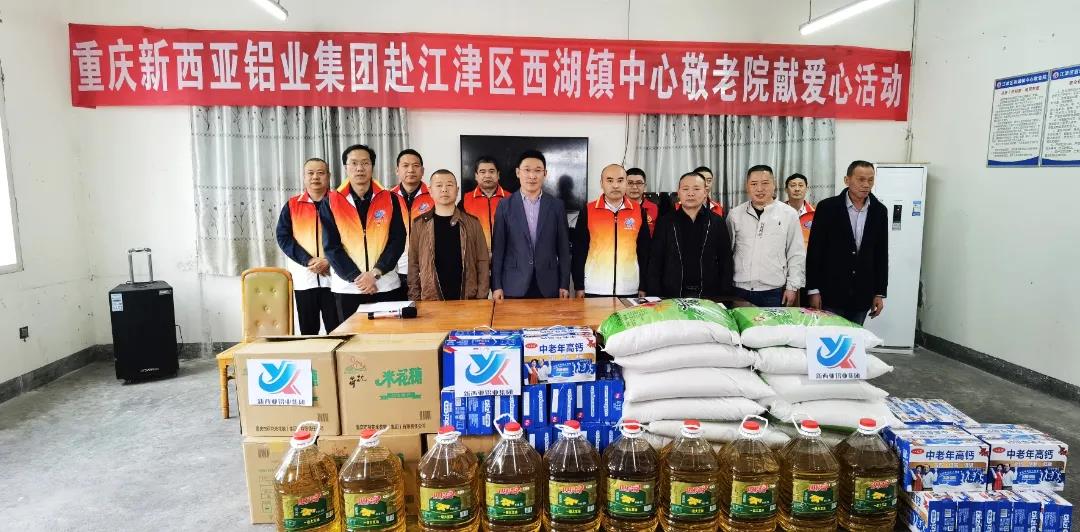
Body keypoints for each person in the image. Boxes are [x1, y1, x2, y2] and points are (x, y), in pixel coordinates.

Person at [319, 144, 407, 320]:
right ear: (346, 167)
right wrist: (357, 278)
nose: (359, 168)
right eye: (354, 163)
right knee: (352, 336)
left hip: (385, 284)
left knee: (388, 335)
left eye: (365, 163)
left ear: (372, 166)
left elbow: (397, 240)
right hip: (348, 288)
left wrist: (375, 274)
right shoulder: (331, 201)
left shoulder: (390, 199)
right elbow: (331, 246)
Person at [806, 160, 888, 326]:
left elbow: (881, 254)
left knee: (854, 338)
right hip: (831, 291)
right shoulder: (827, 208)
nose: (866, 185)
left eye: (870, 180)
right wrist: (813, 290)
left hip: (862, 293)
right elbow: (815, 251)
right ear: (847, 180)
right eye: (861, 179)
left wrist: (879, 293)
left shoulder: (879, 211)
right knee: (829, 337)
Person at [490, 149, 572, 299]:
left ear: (545, 173)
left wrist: (564, 284)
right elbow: (499, 249)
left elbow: (563, 249)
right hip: (513, 283)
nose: (532, 176)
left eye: (538, 170)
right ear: (518, 172)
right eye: (527, 170)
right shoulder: (505, 205)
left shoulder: (556, 206)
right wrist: (496, 286)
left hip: (549, 284)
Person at [275, 157, 339, 334]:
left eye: (320, 173)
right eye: (310, 173)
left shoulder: (339, 203)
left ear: (329, 176)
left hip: (335, 277)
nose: (315, 177)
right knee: (308, 332)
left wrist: (329, 261)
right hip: (305, 278)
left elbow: (350, 237)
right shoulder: (292, 205)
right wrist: (309, 260)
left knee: (338, 331)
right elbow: (283, 238)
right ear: (303, 177)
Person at [646, 172, 734, 298]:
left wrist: (725, 294)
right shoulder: (666, 222)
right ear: (679, 192)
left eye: (696, 189)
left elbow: (725, 260)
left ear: (705, 192)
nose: (690, 193)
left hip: (709, 295)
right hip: (672, 295)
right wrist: (654, 295)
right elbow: (655, 260)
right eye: (685, 189)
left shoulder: (716, 221)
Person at [727, 165, 805, 307]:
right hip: (739, 290)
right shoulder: (735, 214)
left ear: (774, 184)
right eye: (754, 184)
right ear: (747, 186)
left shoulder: (788, 214)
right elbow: (727, 252)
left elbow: (796, 253)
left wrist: (792, 287)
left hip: (773, 291)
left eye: (765, 183)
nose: (759, 189)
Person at [406, 169, 490, 301]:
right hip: (431, 300)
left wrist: (481, 298)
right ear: (430, 191)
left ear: (457, 190)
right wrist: (415, 299)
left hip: (468, 299)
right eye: (439, 185)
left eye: (449, 185)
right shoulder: (419, 224)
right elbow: (413, 264)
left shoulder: (472, 223)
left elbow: (483, 261)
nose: (444, 189)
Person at [571, 164, 650, 298]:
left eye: (620, 180)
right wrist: (579, 286)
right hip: (594, 287)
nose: (615, 185)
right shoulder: (588, 210)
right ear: (601, 183)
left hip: (629, 288)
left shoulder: (638, 211)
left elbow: (644, 251)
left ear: (626, 183)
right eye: (609, 180)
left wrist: (643, 286)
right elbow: (579, 250)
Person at [390, 149, 434, 286]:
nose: (411, 170)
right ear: (397, 170)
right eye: (405, 165)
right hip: (394, 272)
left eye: (415, 166)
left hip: (427, 270)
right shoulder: (387, 198)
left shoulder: (434, 196)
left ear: (422, 171)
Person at [460, 155, 510, 250]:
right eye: (482, 172)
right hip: (475, 255)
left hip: (506, 255)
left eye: (491, 171)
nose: (487, 175)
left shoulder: (511, 199)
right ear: (476, 176)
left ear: (498, 175)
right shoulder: (465, 200)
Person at [785, 173, 816, 247]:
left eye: (801, 185)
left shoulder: (816, 213)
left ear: (806, 189)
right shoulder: (777, 212)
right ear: (786, 190)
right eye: (793, 185)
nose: (797, 189)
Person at [625, 167, 657, 235]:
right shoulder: (617, 207)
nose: (634, 187)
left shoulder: (654, 208)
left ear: (645, 186)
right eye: (630, 183)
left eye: (639, 183)